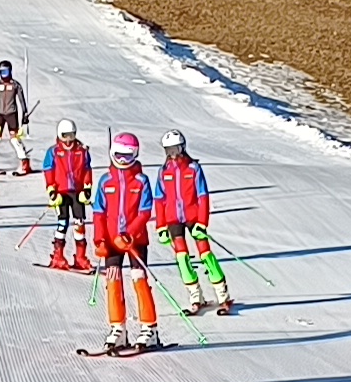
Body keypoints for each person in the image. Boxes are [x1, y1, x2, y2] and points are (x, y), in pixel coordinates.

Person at [86, 132, 165, 353]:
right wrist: (99, 239)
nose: (122, 160)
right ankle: (118, 328)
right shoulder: (106, 181)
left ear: (135, 155)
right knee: (113, 280)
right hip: (111, 241)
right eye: (118, 155)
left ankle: (149, 328)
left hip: (135, 240)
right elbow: (99, 212)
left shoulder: (141, 181)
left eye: (128, 156)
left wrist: (130, 234)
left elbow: (144, 211)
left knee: (139, 279)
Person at [152, 131, 235, 314]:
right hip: (173, 218)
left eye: (175, 149)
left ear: (182, 148)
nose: (172, 154)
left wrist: (202, 222)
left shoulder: (193, 168)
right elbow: (159, 199)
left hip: (193, 217)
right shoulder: (164, 171)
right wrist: (161, 226)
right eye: (168, 150)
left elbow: (203, 196)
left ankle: (222, 295)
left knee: (205, 253)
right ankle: (195, 297)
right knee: (182, 257)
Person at [40, 121, 94, 269]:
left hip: (77, 192)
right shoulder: (54, 152)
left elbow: (87, 170)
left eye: (71, 135)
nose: (68, 140)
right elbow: (48, 170)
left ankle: (80, 257)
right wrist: (51, 190)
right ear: (59, 135)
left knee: (79, 223)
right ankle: (58, 255)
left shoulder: (82, 151)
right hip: (61, 193)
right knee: (62, 222)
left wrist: (87, 188)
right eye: (65, 136)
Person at [0, 61, 32, 170]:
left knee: (14, 139)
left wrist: (24, 114)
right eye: (2, 72)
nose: (4, 75)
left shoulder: (15, 85)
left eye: (6, 72)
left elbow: (21, 100)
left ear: (10, 71)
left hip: (11, 114)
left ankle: (24, 162)